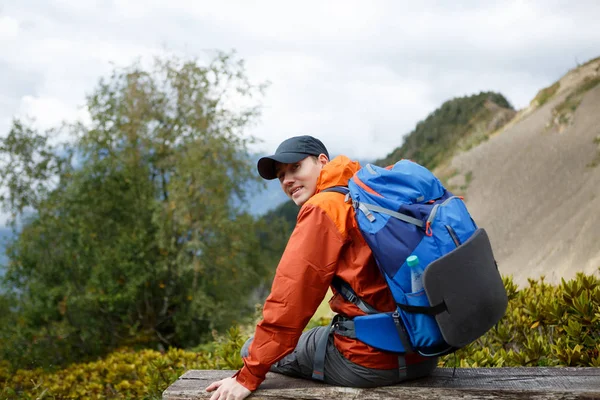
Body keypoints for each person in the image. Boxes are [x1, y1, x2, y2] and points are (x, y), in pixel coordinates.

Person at [206, 135, 437, 400]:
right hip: (424, 351)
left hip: (369, 362)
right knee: (317, 335)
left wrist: (248, 376)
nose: (287, 180)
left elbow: (289, 302)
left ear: (322, 161)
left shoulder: (323, 208)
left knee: (250, 349)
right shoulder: (368, 193)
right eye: (281, 175)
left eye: (295, 168)